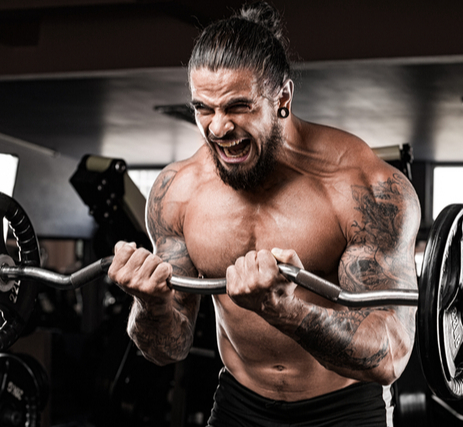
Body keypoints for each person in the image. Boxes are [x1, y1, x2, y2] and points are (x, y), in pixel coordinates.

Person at [107, 2, 421, 426]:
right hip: (241, 403)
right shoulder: (177, 192)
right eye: (203, 108)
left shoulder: (363, 188)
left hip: (344, 408)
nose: (218, 128)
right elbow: (168, 348)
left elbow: (390, 352)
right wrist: (151, 305)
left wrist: (284, 310)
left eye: (238, 106)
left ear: (283, 98)